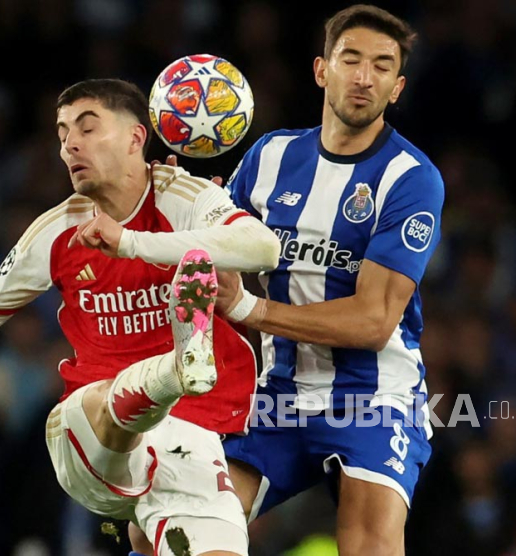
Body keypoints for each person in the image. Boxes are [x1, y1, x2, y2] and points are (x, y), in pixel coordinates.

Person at [0, 79, 281, 556]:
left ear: (136, 138)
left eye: (86, 128)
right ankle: (179, 367)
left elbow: (262, 246)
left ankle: (178, 372)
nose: (69, 145)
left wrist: (131, 243)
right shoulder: (58, 228)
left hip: (195, 431)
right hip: (91, 436)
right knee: (104, 405)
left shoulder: (185, 198)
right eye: (62, 134)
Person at [191, 5, 443, 556]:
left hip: (373, 397)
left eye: (381, 66)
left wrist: (253, 312)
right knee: (177, 529)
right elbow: (218, 256)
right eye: (350, 58)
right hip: (276, 392)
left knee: (368, 547)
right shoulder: (270, 156)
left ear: (396, 88)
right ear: (321, 70)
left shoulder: (410, 178)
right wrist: (189, 210)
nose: (364, 76)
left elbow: (374, 321)